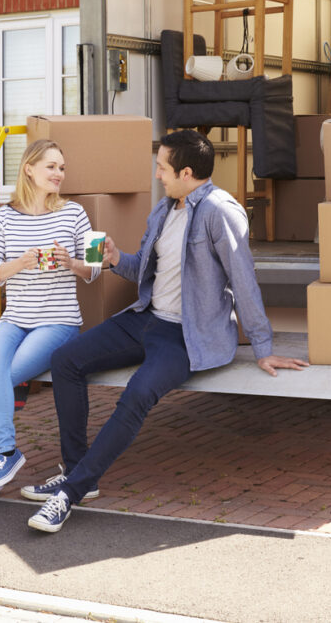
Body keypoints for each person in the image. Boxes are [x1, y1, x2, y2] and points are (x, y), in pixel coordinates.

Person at [22, 129, 308, 531]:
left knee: (138, 393)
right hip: (146, 318)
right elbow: (144, 268)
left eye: (162, 168)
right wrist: (116, 258)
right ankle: (76, 472)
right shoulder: (164, 209)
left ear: (186, 171)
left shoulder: (219, 212)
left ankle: (70, 493)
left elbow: (244, 281)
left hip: (186, 335)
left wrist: (263, 346)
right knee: (66, 361)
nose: (157, 175)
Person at [0, 138, 100, 505]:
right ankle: (8, 454)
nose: (58, 174)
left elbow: (95, 269)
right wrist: (21, 263)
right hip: (15, 319)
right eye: (51, 167)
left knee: (2, 378)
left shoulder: (76, 213)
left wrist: (70, 261)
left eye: (62, 168)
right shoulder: (4, 217)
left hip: (58, 322)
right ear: (29, 169)